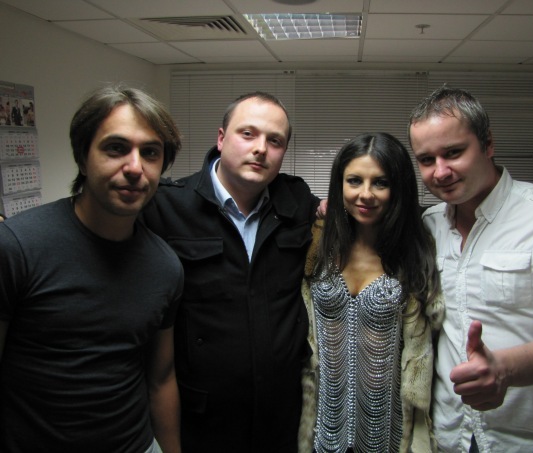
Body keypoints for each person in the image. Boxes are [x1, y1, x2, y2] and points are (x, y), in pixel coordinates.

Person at [408, 86, 533, 452]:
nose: (440, 171)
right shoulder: (428, 226)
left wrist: (503, 369)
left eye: (453, 152)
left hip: (531, 440)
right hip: (448, 438)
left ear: (488, 144)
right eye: (426, 159)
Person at [0, 84, 184, 453]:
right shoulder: (17, 247)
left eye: (150, 153)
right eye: (116, 148)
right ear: (83, 158)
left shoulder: (165, 266)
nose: (135, 167)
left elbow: (161, 379)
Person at [141, 91, 321, 452]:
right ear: (221, 138)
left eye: (275, 141)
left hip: (282, 419)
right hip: (204, 422)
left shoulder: (297, 200)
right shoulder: (166, 206)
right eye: (248, 134)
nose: (261, 149)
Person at [297, 132, 444, 452]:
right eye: (354, 181)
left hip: (389, 428)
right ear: (339, 185)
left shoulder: (417, 251)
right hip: (322, 426)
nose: (365, 194)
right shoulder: (316, 243)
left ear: (399, 188)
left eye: (380, 183)